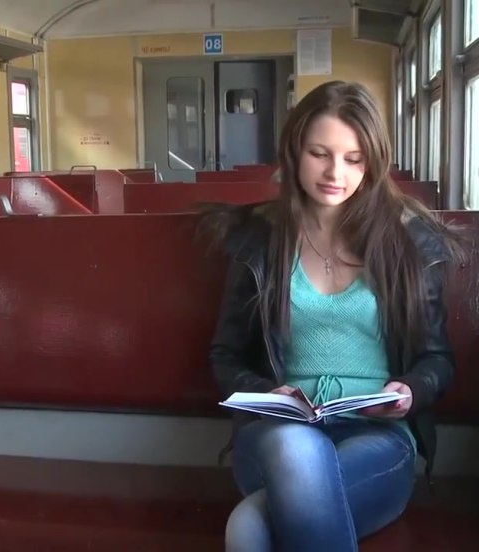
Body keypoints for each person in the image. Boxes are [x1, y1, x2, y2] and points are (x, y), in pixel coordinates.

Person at [198, 81, 462, 551]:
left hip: (377, 434)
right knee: (297, 450)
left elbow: (436, 361)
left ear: (372, 162)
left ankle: (257, 521)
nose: (335, 172)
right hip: (279, 435)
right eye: (320, 153)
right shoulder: (259, 240)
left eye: (353, 158)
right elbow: (225, 357)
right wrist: (268, 393)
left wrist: (410, 391)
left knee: (252, 530)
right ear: (295, 152)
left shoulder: (408, 242)